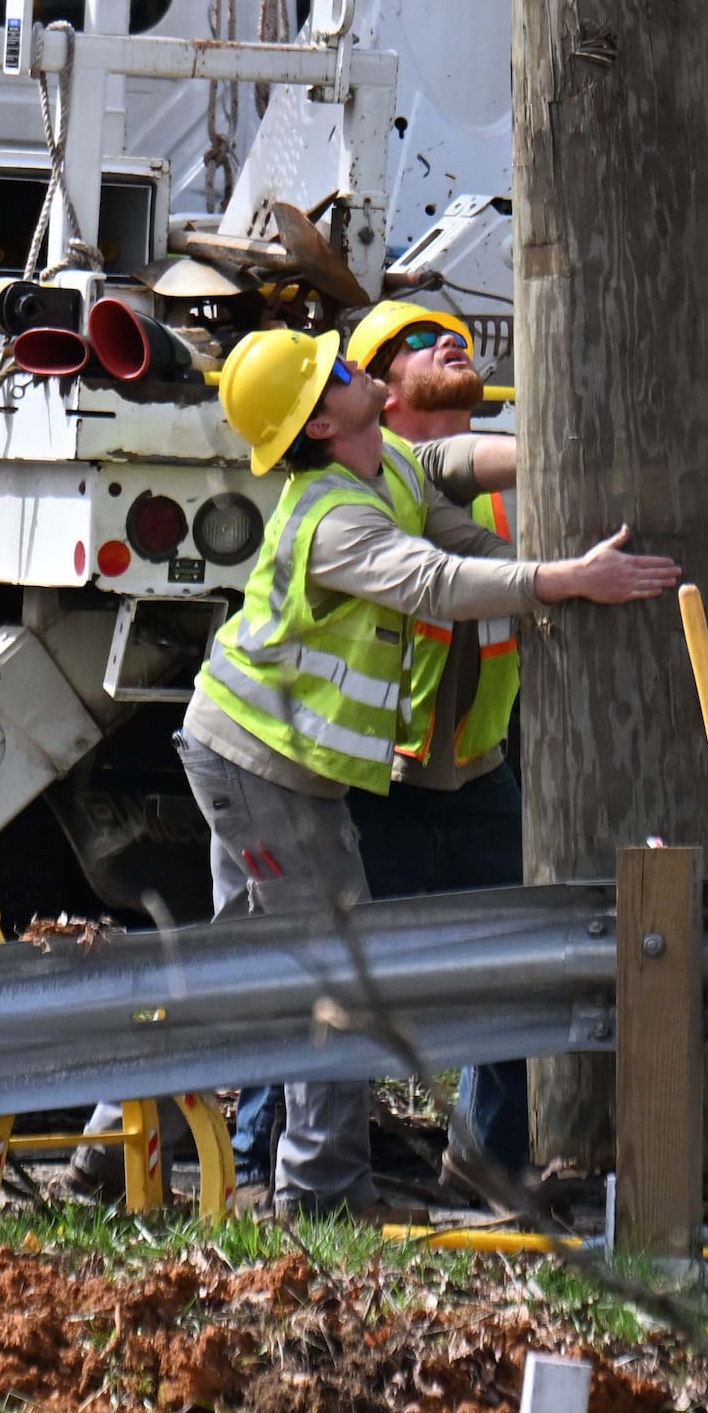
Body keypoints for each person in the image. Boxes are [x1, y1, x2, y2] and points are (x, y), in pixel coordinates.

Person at [182, 325, 682, 1218]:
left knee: (249, 960)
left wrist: (555, 560)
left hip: (279, 767)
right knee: (337, 971)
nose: (352, 370)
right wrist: (563, 582)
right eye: (334, 372)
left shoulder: (389, 473)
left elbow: (458, 511)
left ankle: (138, 1146)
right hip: (257, 762)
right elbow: (435, 581)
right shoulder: (331, 516)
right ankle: (320, 1191)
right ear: (324, 424)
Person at [223, 302, 530, 1199]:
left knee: (519, 959)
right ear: (372, 397)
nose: (450, 345)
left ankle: (488, 1165)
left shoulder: (450, 472)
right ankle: (254, 1160)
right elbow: (441, 576)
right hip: (378, 778)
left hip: (477, 773)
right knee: (322, 974)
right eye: (409, 346)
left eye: (457, 337)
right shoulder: (352, 498)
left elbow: (471, 470)